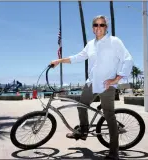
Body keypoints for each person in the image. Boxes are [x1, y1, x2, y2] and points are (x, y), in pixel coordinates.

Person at [50, 15, 133, 160]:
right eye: (96, 25)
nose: (98, 28)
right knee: (81, 106)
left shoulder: (115, 42)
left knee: (109, 116)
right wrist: (59, 60)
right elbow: (78, 57)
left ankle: (114, 152)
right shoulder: (90, 44)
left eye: (102, 25)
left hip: (107, 85)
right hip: (91, 83)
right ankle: (83, 131)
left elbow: (127, 59)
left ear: (106, 27)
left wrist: (117, 78)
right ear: (92, 27)